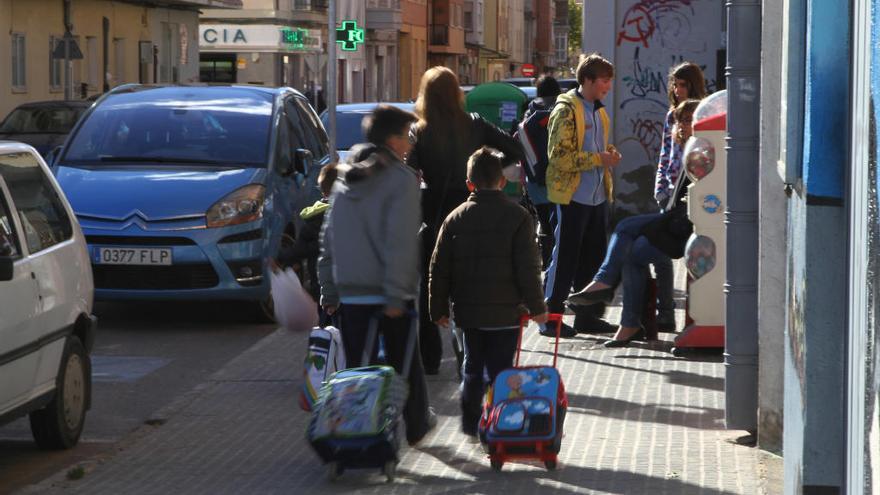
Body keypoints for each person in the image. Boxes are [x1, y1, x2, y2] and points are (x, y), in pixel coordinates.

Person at [317, 104, 436, 445]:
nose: (410, 144)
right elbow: (399, 242)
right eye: (407, 136)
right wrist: (397, 294)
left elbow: (329, 236)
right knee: (404, 364)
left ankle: (356, 434)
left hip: (351, 291)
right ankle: (414, 426)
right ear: (392, 139)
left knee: (358, 368)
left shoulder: (343, 176)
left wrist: (329, 289)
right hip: (388, 293)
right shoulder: (400, 180)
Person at [408, 66, 525, 374]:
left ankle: (429, 358)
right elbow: (515, 149)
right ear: (457, 93)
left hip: (432, 213)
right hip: (471, 207)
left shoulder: (418, 131)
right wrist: (492, 172)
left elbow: (408, 170)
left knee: (430, 284)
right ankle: (466, 359)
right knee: (468, 284)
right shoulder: (474, 124)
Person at [428, 147, 548, 439]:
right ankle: (503, 423)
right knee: (503, 372)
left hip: (469, 313)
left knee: (471, 368)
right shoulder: (518, 217)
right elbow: (528, 268)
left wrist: (438, 308)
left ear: (469, 183)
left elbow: (439, 267)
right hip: (508, 312)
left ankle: (471, 423)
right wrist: (537, 306)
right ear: (502, 181)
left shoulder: (454, 219)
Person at [568, 99, 700, 347]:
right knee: (632, 253)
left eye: (689, 119)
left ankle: (605, 284)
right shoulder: (689, 146)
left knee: (624, 228)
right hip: (676, 217)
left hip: (689, 225)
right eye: (681, 120)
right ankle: (628, 322)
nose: (683, 125)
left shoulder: (702, 151)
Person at [542, 53, 621, 338]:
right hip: (571, 196)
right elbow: (559, 157)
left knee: (592, 259)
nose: (608, 87)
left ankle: (587, 317)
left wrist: (608, 154)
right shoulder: (565, 109)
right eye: (604, 81)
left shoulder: (599, 111)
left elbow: (597, 147)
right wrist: (598, 159)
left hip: (597, 197)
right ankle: (550, 319)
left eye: (609, 81)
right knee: (564, 259)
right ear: (587, 80)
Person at [652, 62, 707, 331]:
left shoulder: (704, 114)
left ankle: (696, 313)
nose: (677, 89)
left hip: (694, 192)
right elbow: (665, 153)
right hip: (669, 191)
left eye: (682, 84)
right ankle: (665, 311)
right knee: (659, 251)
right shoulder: (672, 115)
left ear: (693, 85)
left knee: (694, 253)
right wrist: (660, 185)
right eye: (674, 84)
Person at [518, 75, 562, 268]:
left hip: (534, 181)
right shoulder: (561, 111)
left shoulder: (529, 115)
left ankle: (546, 261)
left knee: (544, 221)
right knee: (559, 222)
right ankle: (559, 260)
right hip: (559, 179)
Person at [276, 163, 337, 303]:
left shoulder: (315, 219)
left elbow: (299, 250)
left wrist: (279, 257)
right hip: (345, 284)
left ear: (323, 191)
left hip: (320, 285)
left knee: (326, 320)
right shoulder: (347, 214)